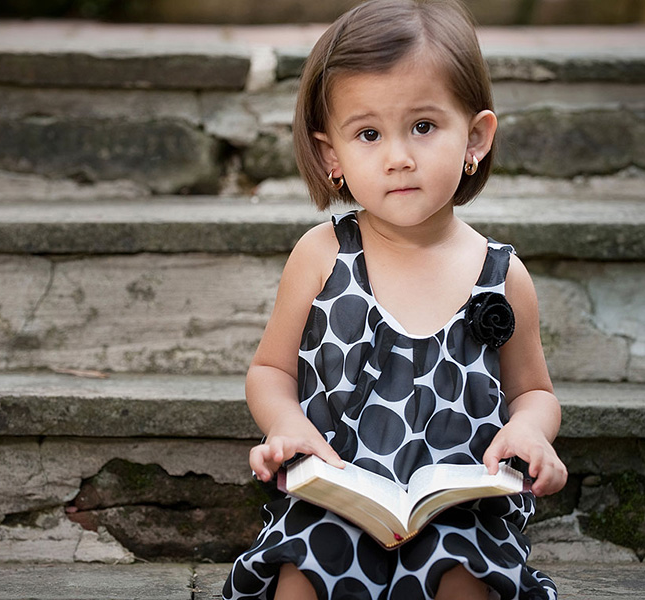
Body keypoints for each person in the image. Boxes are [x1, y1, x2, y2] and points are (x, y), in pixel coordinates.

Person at [222, 0, 567, 598]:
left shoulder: (501, 275)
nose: (398, 156)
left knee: (463, 569)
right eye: (369, 133)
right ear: (333, 156)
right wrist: (287, 428)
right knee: (307, 565)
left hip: (458, 507)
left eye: (424, 127)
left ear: (475, 138)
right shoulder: (322, 254)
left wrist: (531, 433)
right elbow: (268, 371)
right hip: (338, 495)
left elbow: (533, 390)